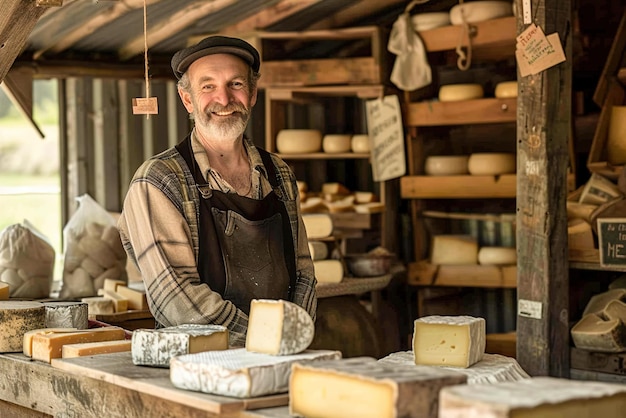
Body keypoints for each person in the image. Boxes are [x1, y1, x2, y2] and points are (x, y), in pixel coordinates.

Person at [117, 36, 317, 346]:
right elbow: (177, 298)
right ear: (188, 100)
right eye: (208, 86)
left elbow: (303, 273)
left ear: (252, 94)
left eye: (235, 84)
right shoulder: (158, 181)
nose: (223, 100)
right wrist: (265, 340)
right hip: (195, 370)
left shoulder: (279, 174)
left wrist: (293, 337)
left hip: (280, 356)